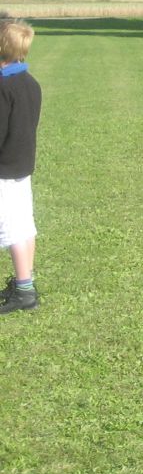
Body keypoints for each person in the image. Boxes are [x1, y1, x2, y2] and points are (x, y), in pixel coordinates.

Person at [0, 20, 42, 314]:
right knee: (25, 225)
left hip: (4, 168)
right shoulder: (30, 82)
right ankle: (24, 281)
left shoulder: (3, 87)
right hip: (22, 163)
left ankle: (25, 292)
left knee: (10, 229)